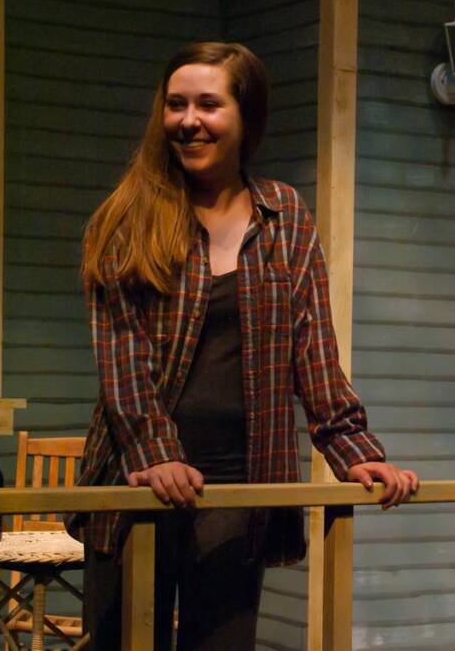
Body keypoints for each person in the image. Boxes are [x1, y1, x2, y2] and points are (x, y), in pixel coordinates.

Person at [65, 42, 419, 650]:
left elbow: (312, 344)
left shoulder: (285, 216)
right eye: (176, 105)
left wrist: (352, 446)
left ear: (246, 116)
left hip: (242, 479)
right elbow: (122, 360)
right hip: (136, 476)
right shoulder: (126, 218)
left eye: (208, 103)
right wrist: (156, 453)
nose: (188, 120)